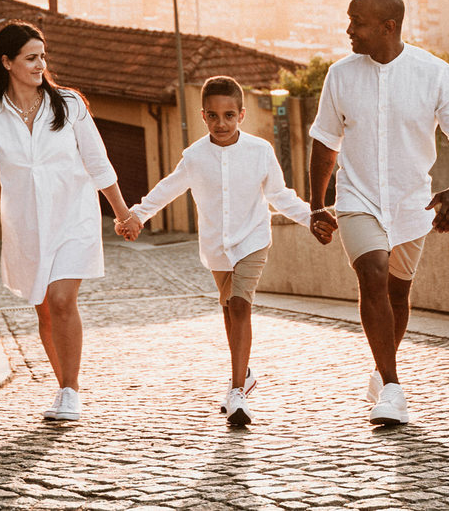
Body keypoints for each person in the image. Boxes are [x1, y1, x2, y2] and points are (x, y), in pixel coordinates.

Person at [308, 0, 449, 426]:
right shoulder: (340, 75)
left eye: (358, 23)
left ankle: (380, 371)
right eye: (349, 21)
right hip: (357, 197)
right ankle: (392, 387)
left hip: (411, 203)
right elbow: (325, 144)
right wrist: (316, 205)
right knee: (372, 274)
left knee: (398, 294)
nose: (349, 30)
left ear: (388, 27)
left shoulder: (434, 73)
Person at [0, 21, 133, 422]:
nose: (41, 65)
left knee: (61, 299)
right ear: (7, 62)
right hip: (27, 229)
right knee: (45, 312)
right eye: (31, 58)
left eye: (43, 56)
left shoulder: (69, 105)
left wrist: (123, 214)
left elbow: (98, 163)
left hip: (74, 219)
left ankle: (71, 391)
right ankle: (63, 386)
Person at [118, 76, 312, 426]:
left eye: (229, 115)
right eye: (213, 116)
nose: (221, 123)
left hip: (252, 239)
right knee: (228, 310)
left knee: (239, 304)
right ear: (203, 115)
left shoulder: (260, 151)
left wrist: (312, 218)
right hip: (216, 246)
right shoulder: (194, 157)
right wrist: (137, 215)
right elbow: (168, 188)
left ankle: (237, 392)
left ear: (241, 115)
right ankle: (243, 373)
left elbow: (279, 195)